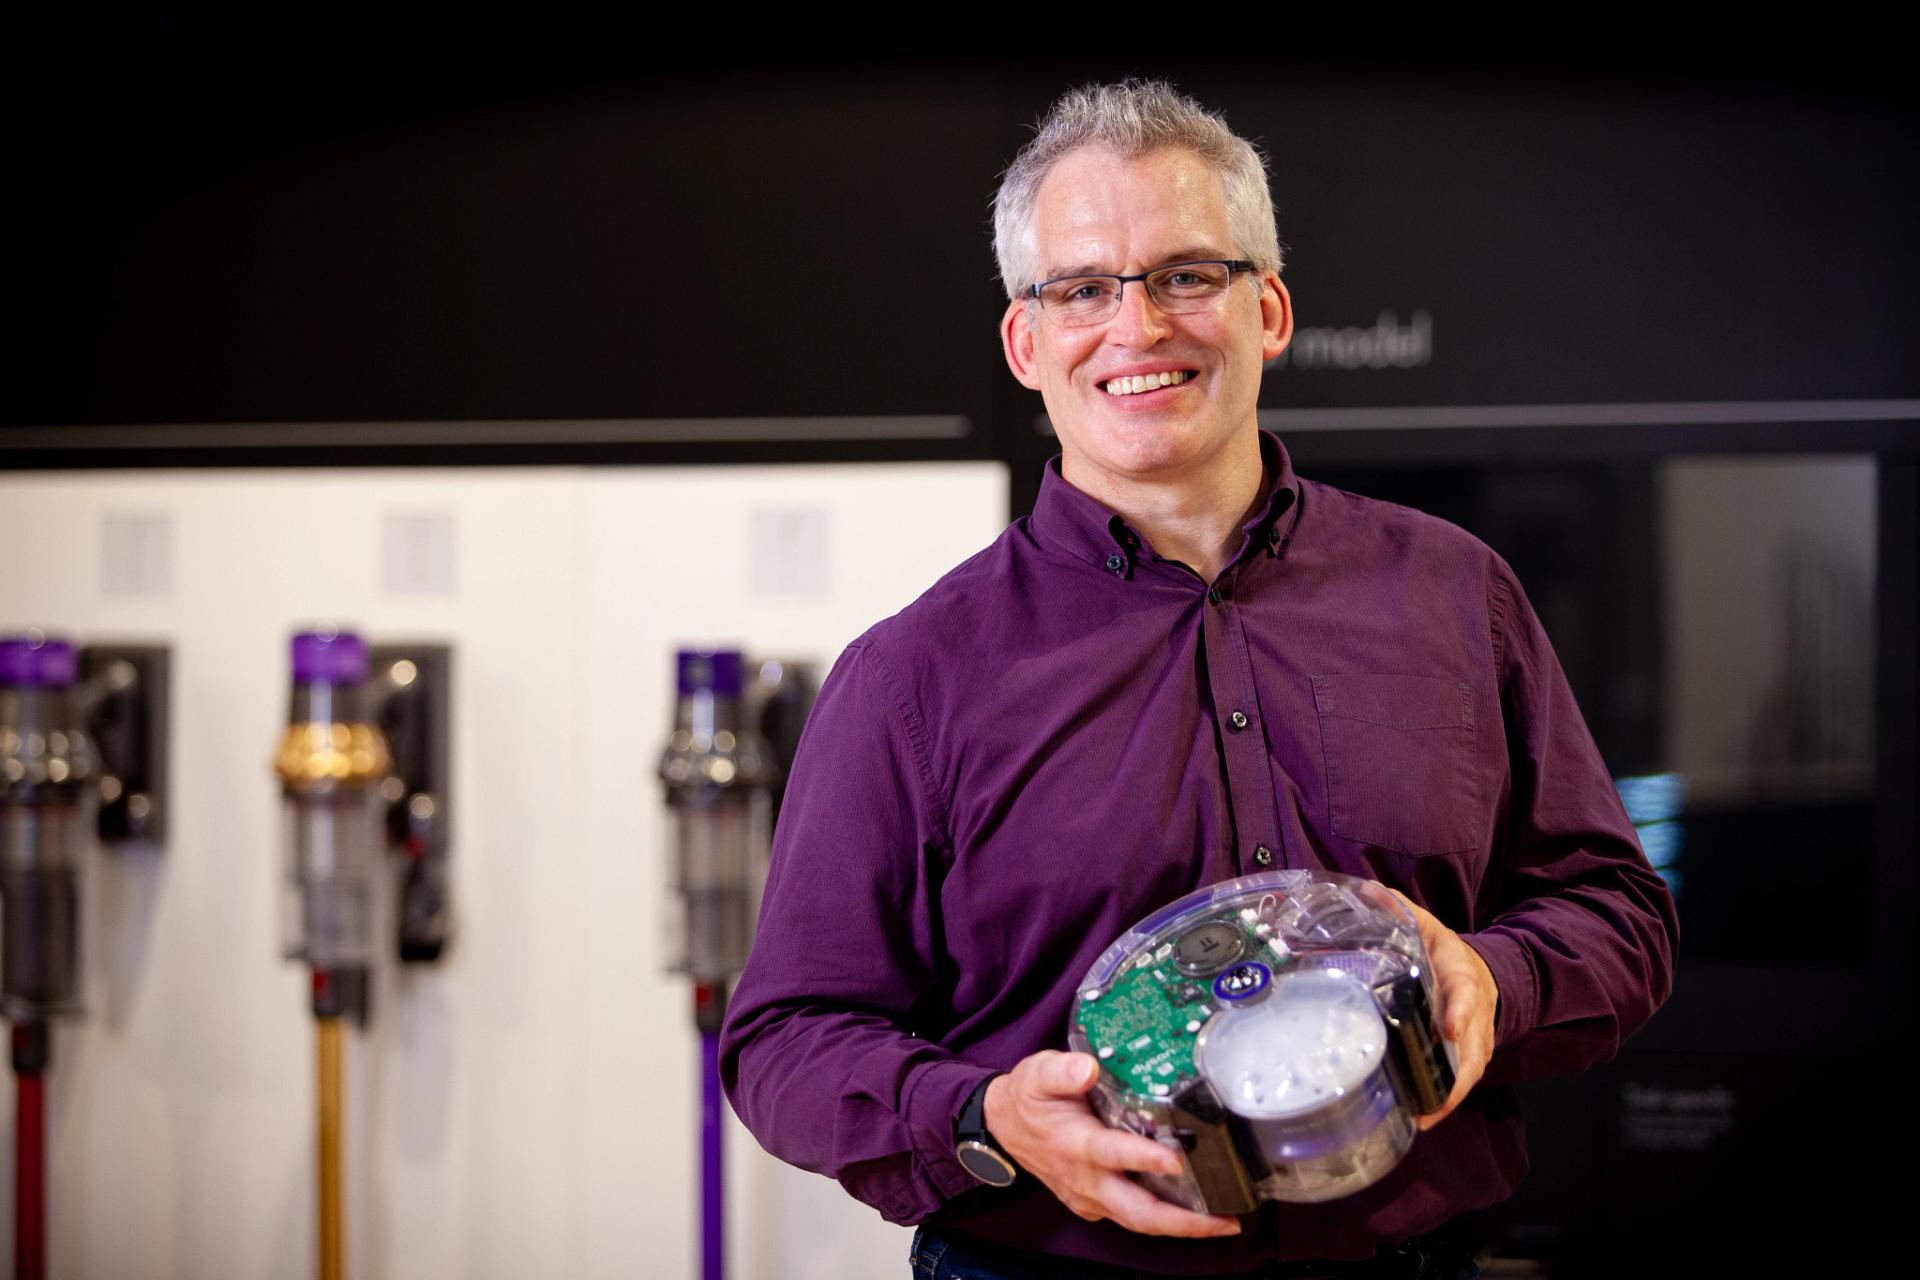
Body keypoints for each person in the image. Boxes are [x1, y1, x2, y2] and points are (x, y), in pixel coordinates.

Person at [721, 80, 1677, 1279]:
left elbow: (1621, 911)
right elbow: (785, 1041)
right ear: (1027, 343)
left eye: (1184, 275)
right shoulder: (913, 675)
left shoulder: (1454, 594)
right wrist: (980, 1117)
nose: (1137, 327)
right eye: (1081, 288)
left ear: (1267, 308)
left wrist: (1503, 976)